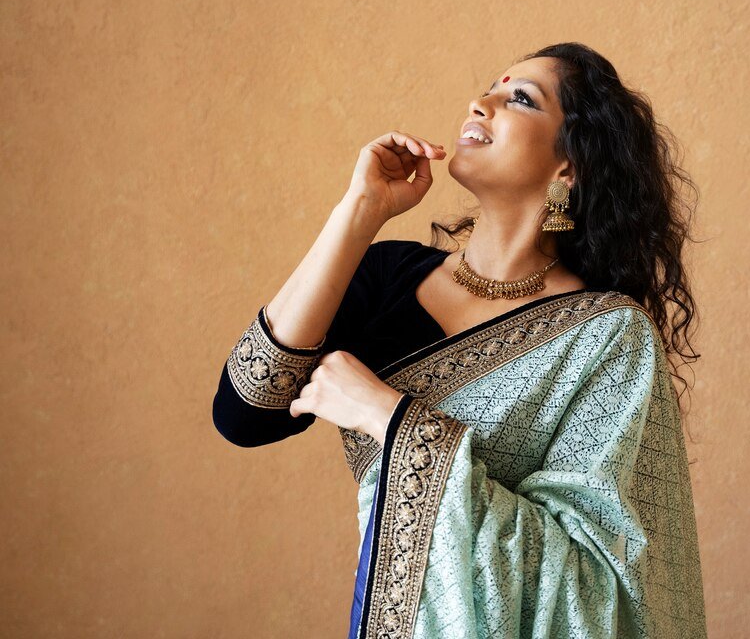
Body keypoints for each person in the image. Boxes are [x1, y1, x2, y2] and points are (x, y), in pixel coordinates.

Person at [213, 42, 707, 638]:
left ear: (568, 167)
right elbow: (244, 413)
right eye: (490, 88)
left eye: (520, 99)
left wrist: (390, 418)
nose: (480, 103)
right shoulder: (389, 275)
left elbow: (595, 587)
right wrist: (361, 209)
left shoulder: (607, 335)